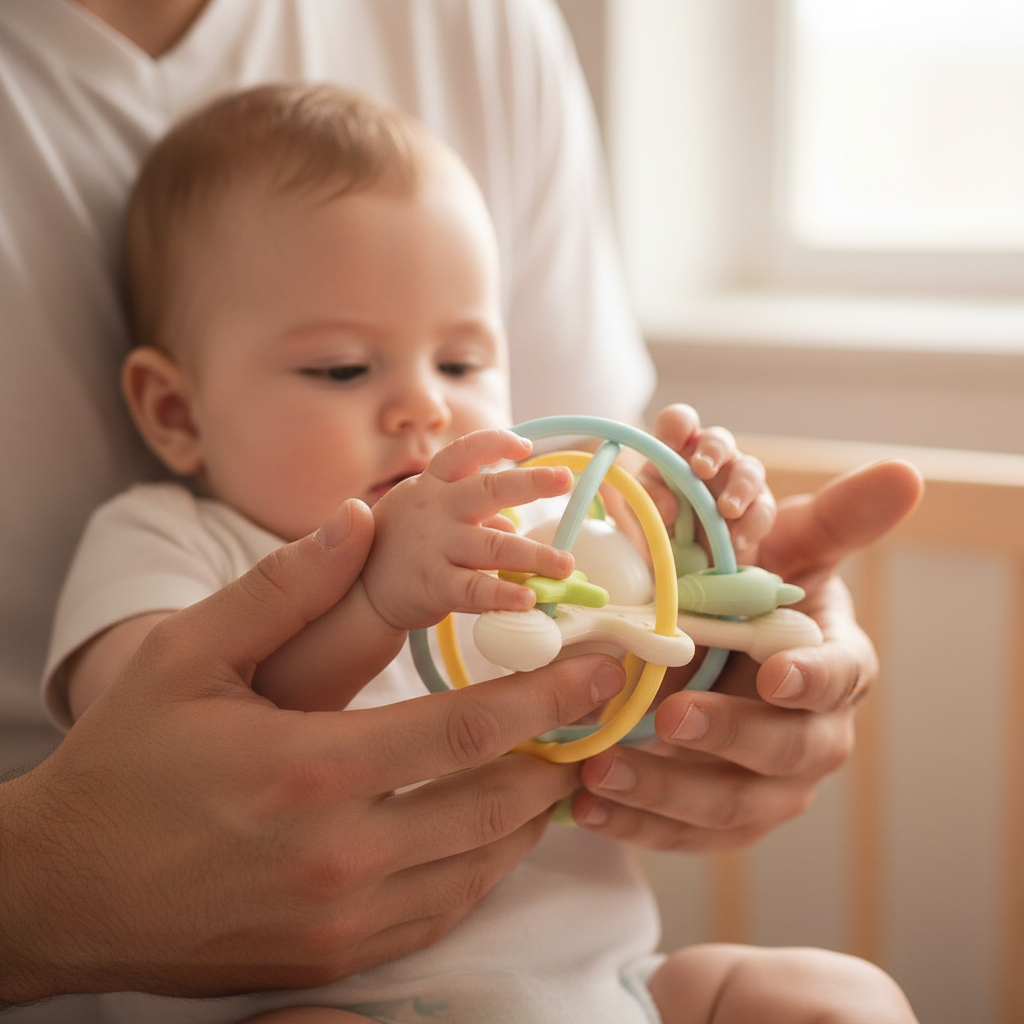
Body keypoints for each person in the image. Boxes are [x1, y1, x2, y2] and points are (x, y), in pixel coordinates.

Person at [0, 0, 924, 1016]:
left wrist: (703, 566)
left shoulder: (525, 543)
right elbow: (161, 752)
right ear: (176, 411)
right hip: (319, 999)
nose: (425, 405)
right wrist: (375, 601)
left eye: (463, 360)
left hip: (597, 982)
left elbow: (626, 689)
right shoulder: (163, 539)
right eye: (342, 366)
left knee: (835, 993)